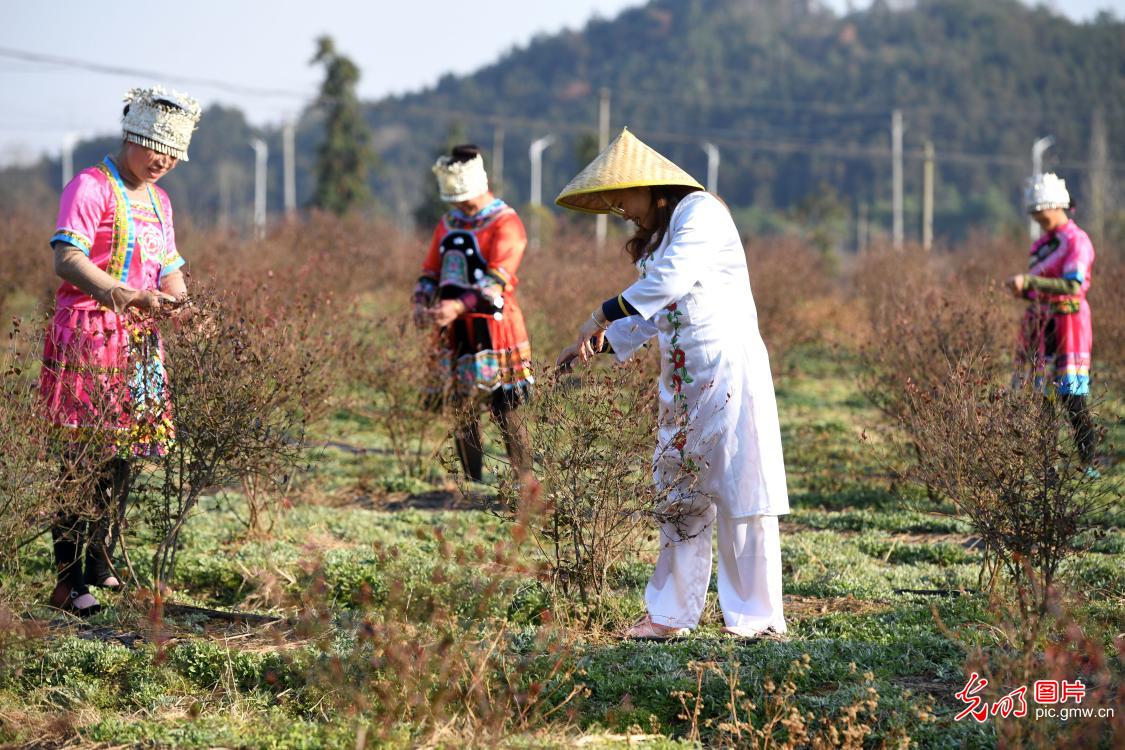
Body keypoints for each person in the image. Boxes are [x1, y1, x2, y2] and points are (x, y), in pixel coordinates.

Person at [555, 128, 789, 640]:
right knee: (678, 489)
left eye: (625, 200)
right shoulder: (661, 236)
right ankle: (669, 614)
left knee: (738, 487)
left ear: (653, 187)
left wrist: (597, 315)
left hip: (727, 369)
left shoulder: (701, 214)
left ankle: (756, 618)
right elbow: (649, 313)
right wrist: (601, 340)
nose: (624, 212)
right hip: (682, 377)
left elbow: (670, 282)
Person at [42, 86, 201, 616]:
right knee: (81, 458)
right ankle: (68, 580)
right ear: (132, 135)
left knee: (121, 456)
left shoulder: (160, 201)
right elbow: (67, 257)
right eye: (157, 147)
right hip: (89, 335)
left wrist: (182, 305)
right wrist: (123, 293)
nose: (165, 161)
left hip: (136, 343)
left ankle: (100, 559)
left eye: (174, 154)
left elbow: (169, 267)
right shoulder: (90, 187)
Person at [412, 145, 534, 484]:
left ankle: (525, 486)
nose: (460, 208)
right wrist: (421, 301)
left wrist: (457, 305)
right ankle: (471, 483)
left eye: (464, 201)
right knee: (461, 408)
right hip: (455, 330)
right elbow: (430, 270)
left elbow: (497, 279)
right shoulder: (449, 222)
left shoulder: (506, 222)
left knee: (506, 408)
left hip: (496, 328)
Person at [1007, 172, 1097, 469]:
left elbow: (1073, 284)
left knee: (1072, 396)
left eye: (1040, 211)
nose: (1036, 217)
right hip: (1041, 322)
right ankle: (1047, 464)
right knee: (1042, 396)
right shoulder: (1042, 245)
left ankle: (1088, 461)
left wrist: (1030, 281)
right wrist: (1024, 290)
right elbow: (1038, 286)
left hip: (1068, 322)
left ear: (1056, 206)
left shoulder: (1076, 241)